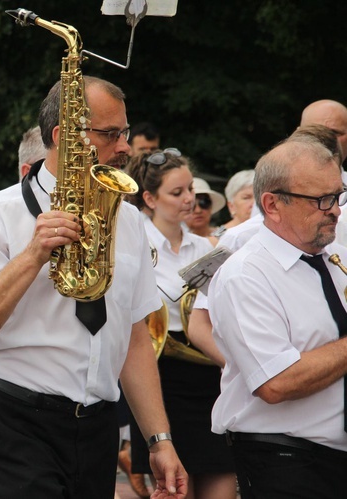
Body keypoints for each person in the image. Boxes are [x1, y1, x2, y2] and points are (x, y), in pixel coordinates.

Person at [0, 76, 186, 499]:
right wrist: (32, 255)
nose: (124, 148)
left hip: (98, 426)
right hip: (17, 419)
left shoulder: (129, 220)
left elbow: (133, 339)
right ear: (64, 137)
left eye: (125, 132)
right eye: (110, 134)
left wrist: (159, 440)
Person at [209, 137, 347, 498]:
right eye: (321, 200)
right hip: (287, 462)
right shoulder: (246, 274)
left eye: (338, 195)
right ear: (272, 204)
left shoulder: (335, 260)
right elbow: (276, 382)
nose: (335, 210)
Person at [124, 150, 236, 499]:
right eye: (177, 193)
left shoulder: (207, 246)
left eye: (190, 189)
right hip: (160, 381)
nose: (190, 199)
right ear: (149, 198)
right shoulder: (133, 243)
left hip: (209, 382)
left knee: (221, 487)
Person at [300, 99, 347, 164]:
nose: (324, 137)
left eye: (334, 132)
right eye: (314, 131)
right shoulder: (281, 173)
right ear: (297, 134)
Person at [185, 177, 225, 244]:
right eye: (191, 205)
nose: (198, 211)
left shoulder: (225, 235)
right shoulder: (174, 242)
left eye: (204, 203)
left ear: (211, 206)